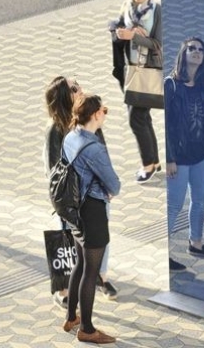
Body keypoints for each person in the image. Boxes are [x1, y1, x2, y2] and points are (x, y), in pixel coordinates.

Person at [44, 77, 118, 308]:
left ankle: (100, 277)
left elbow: (102, 156)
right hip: (71, 199)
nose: (80, 89)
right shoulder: (55, 131)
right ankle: (63, 288)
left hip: (95, 196)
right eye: (74, 88)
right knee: (68, 242)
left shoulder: (88, 119)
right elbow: (54, 170)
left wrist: (106, 186)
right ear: (65, 97)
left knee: (100, 237)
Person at [62, 94, 121, 344]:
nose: (105, 115)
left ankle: (71, 317)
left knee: (80, 263)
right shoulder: (94, 147)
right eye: (104, 111)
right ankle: (86, 329)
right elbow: (115, 185)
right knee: (91, 271)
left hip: (74, 210)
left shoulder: (70, 137)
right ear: (96, 114)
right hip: (92, 211)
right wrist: (108, 189)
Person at [164, 38, 204, 271]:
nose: (197, 52)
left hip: (200, 155)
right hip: (178, 159)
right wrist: (169, 158)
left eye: (201, 50)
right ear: (183, 53)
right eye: (192, 49)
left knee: (199, 201)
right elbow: (166, 125)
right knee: (173, 206)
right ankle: (164, 253)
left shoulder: (201, 86)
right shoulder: (170, 85)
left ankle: (196, 243)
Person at [112, 0, 163, 183]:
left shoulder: (157, 11)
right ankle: (155, 162)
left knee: (136, 119)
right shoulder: (127, 8)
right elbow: (114, 26)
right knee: (142, 117)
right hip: (130, 71)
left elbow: (158, 44)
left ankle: (148, 166)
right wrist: (119, 32)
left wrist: (134, 36)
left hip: (148, 70)